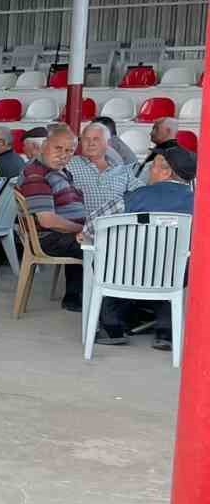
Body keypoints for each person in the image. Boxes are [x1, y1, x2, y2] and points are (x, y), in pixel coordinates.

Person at [90, 145, 197, 352]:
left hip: (124, 274)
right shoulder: (200, 203)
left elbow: (93, 224)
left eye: (153, 166)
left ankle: (112, 327)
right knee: (171, 265)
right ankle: (166, 330)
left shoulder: (133, 197)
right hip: (175, 276)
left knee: (107, 260)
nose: (149, 170)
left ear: (166, 172)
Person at [18, 123, 87, 312]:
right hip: (48, 238)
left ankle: (76, 297)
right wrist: (82, 229)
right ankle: (108, 307)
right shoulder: (36, 174)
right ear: (43, 145)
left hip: (63, 233)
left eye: (69, 150)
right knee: (103, 247)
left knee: (108, 239)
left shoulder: (59, 170)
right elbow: (47, 221)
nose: (63, 154)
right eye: (58, 148)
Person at [66, 121, 132, 217]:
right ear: (80, 143)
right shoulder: (68, 164)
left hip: (114, 229)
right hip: (79, 228)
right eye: (86, 139)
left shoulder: (123, 170)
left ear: (108, 143)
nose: (91, 143)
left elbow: (141, 194)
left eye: (96, 139)